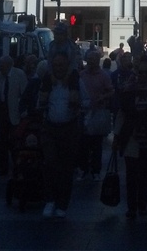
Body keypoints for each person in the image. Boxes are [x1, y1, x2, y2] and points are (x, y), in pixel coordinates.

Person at [115, 55, 147, 218]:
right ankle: (132, 206)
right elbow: (122, 114)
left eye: (146, 72)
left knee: (145, 175)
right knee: (131, 175)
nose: (143, 75)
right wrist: (117, 135)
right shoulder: (128, 91)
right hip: (132, 139)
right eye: (140, 72)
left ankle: (142, 204)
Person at [38, 52, 81, 218]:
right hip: (50, 128)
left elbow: (84, 100)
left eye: (61, 65)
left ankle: (63, 203)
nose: (58, 68)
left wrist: (76, 107)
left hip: (69, 128)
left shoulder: (74, 82)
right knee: (49, 163)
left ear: (67, 66)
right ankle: (50, 200)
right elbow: (39, 101)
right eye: (56, 65)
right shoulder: (48, 82)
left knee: (66, 167)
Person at [78, 49, 114, 179]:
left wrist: (102, 97)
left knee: (97, 143)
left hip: (98, 112)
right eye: (89, 59)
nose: (91, 62)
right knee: (83, 143)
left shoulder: (103, 75)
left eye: (93, 59)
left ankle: (96, 170)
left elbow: (111, 91)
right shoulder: (81, 75)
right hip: (84, 112)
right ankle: (83, 168)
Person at [0, 55, 27, 176]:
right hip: (1, 111)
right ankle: (2, 168)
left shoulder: (19, 74)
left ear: (8, 65)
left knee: (14, 141)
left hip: (14, 112)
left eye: (1, 65)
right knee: (1, 141)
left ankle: (17, 166)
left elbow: (24, 94)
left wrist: (23, 111)